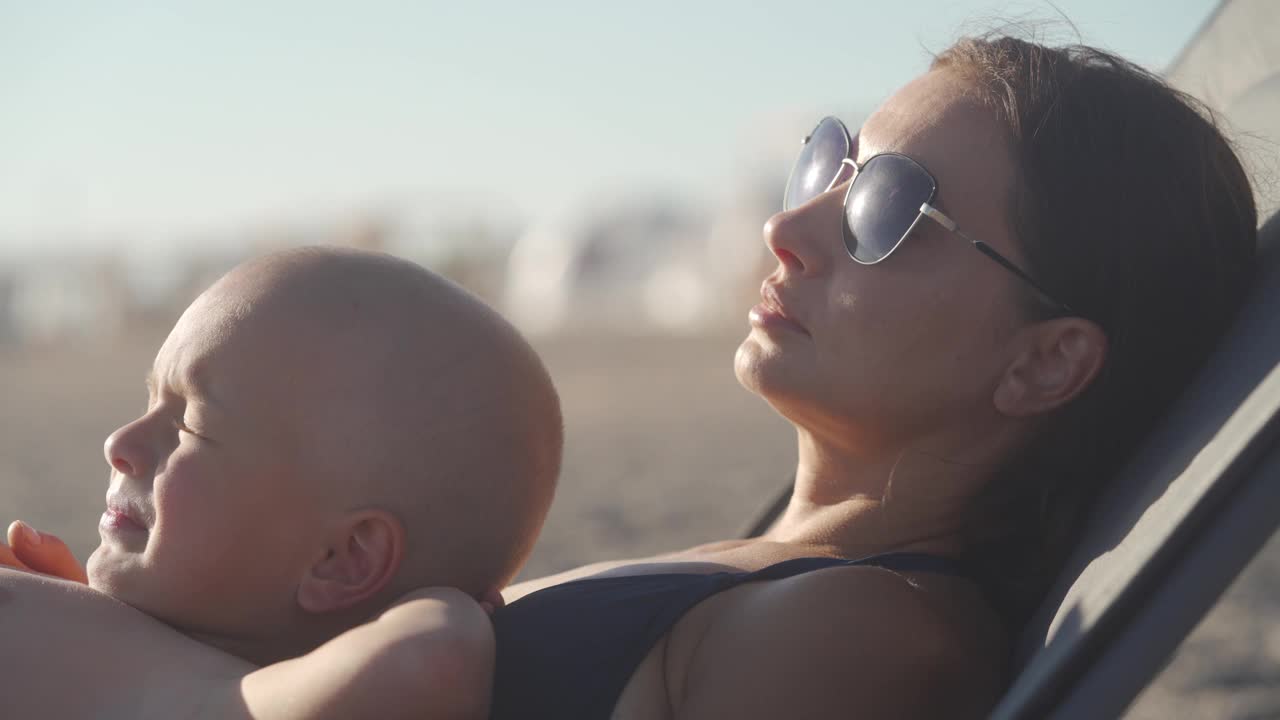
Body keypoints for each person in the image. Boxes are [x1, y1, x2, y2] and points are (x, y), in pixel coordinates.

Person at [6, 33, 1260, 720]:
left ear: (1043, 362)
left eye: (886, 207)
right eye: (827, 163)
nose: (792, 227)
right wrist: (143, 636)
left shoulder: (868, 634)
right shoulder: (777, 563)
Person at [0, 246, 562, 719]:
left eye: (189, 425)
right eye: (150, 402)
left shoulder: (236, 697)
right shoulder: (165, 651)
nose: (118, 445)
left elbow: (434, 660)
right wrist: (90, 613)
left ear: (343, 557)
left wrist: (443, 606)